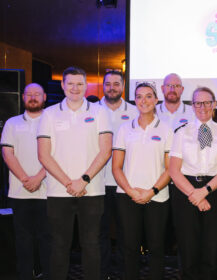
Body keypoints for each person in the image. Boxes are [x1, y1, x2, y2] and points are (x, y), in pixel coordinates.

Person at [37, 66, 112, 280]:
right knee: (59, 245)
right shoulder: (49, 114)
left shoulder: (100, 112)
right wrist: (69, 183)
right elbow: (44, 155)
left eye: (79, 84)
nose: (75, 88)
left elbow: (105, 150)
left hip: (92, 189)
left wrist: (83, 180)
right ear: (62, 85)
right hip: (59, 191)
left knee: (91, 244)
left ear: (86, 85)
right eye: (70, 83)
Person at [169, 86, 217, 280]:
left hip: (215, 191)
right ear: (192, 106)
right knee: (188, 251)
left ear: (214, 104)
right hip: (185, 191)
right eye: (198, 103)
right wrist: (195, 194)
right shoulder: (181, 133)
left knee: (212, 251)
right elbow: (174, 171)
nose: (203, 107)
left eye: (207, 102)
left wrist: (205, 191)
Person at [112, 82, 173, 280]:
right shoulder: (124, 129)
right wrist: (131, 191)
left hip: (158, 197)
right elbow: (116, 167)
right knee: (129, 248)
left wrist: (151, 192)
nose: (143, 100)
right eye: (139, 96)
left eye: (148, 96)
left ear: (156, 100)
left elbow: (170, 168)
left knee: (156, 248)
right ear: (134, 100)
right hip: (128, 196)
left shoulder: (166, 130)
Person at [1, 83, 50, 280]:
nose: (33, 97)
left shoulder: (52, 121)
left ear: (44, 97)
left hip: (48, 191)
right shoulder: (12, 123)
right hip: (19, 191)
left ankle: (46, 275)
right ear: (23, 97)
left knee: (47, 239)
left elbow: (57, 155)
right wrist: (25, 179)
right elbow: (7, 153)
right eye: (29, 94)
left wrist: (38, 178)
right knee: (22, 239)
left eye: (37, 94)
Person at [98, 70, 138, 279]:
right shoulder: (92, 110)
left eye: (116, 83)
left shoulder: (134, 111)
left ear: (123, 86)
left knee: (126, 233)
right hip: (97, 183)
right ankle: (103, 272)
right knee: (100, 233)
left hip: (126, 183)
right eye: (108, 84)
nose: (112, 87)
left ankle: (125, 273)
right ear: (103, 86)